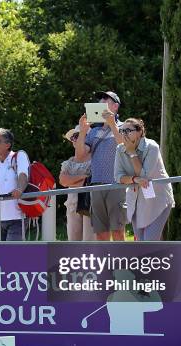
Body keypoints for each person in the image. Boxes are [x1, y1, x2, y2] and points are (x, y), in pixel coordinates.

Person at [74, 91, 126, 241]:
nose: (101, 102)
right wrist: (83, 132)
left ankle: (122, 264)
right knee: (101, 234)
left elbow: (124, 147)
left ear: (115, 106)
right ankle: (106, 264)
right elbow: (80, 156)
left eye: (106, 100)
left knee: (118, 232)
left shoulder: (124, 126)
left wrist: (112, 125)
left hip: (117, 185)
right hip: (96, 186)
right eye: (100, 100)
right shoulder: (94, 131)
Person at [114, 118, 174, 240]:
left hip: (158, 201)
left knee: (149, 242)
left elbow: (144, 176)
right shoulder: (120, 149)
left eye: (128, 130)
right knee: (142, 244)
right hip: (137, 202)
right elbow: (118, 177)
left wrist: (132, 153)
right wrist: (134, 179)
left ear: (140, 131)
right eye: (122, 130)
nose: (124, 134)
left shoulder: (152, 147)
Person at [59, 128, 95, 241]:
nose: (75, 139)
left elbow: (93, 180)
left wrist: (72, 180)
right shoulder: (70, 161)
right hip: (72, 204)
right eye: (73, 137)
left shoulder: (96, 158)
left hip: (90, 203)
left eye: (78, 136)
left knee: (89, 240)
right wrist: (83, 178)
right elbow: (63, 181)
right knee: (73, 240)